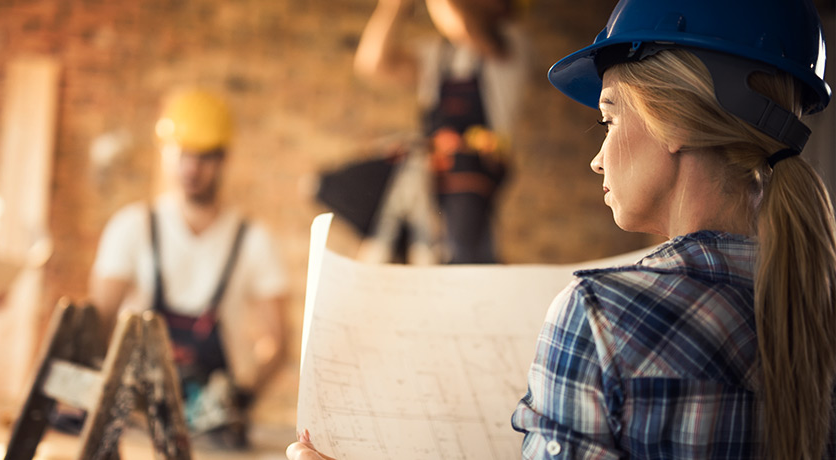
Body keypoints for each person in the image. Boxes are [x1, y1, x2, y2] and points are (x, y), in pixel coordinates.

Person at [289, 0, 835, 458]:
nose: (596, 160)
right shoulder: (813, 296)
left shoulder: (600, 316)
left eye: (609, 118)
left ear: (676, 122)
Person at [90, 88, 289, 450]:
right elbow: (98, 324)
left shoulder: (254, 241)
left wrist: (239, 398)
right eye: (182, 155)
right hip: (133, 423)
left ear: (223, 159)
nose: (191, 168)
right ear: (166, 153)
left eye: (204, 157)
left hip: (210, 435)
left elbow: (278, 343)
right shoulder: (132, 227)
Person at [350, 0, 530, 264]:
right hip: (429, 174)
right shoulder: (437, 52)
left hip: (472, 177)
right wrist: (395, 6)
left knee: (464, 262)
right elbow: (374, 62)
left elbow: (462, 25)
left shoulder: (510, 43)